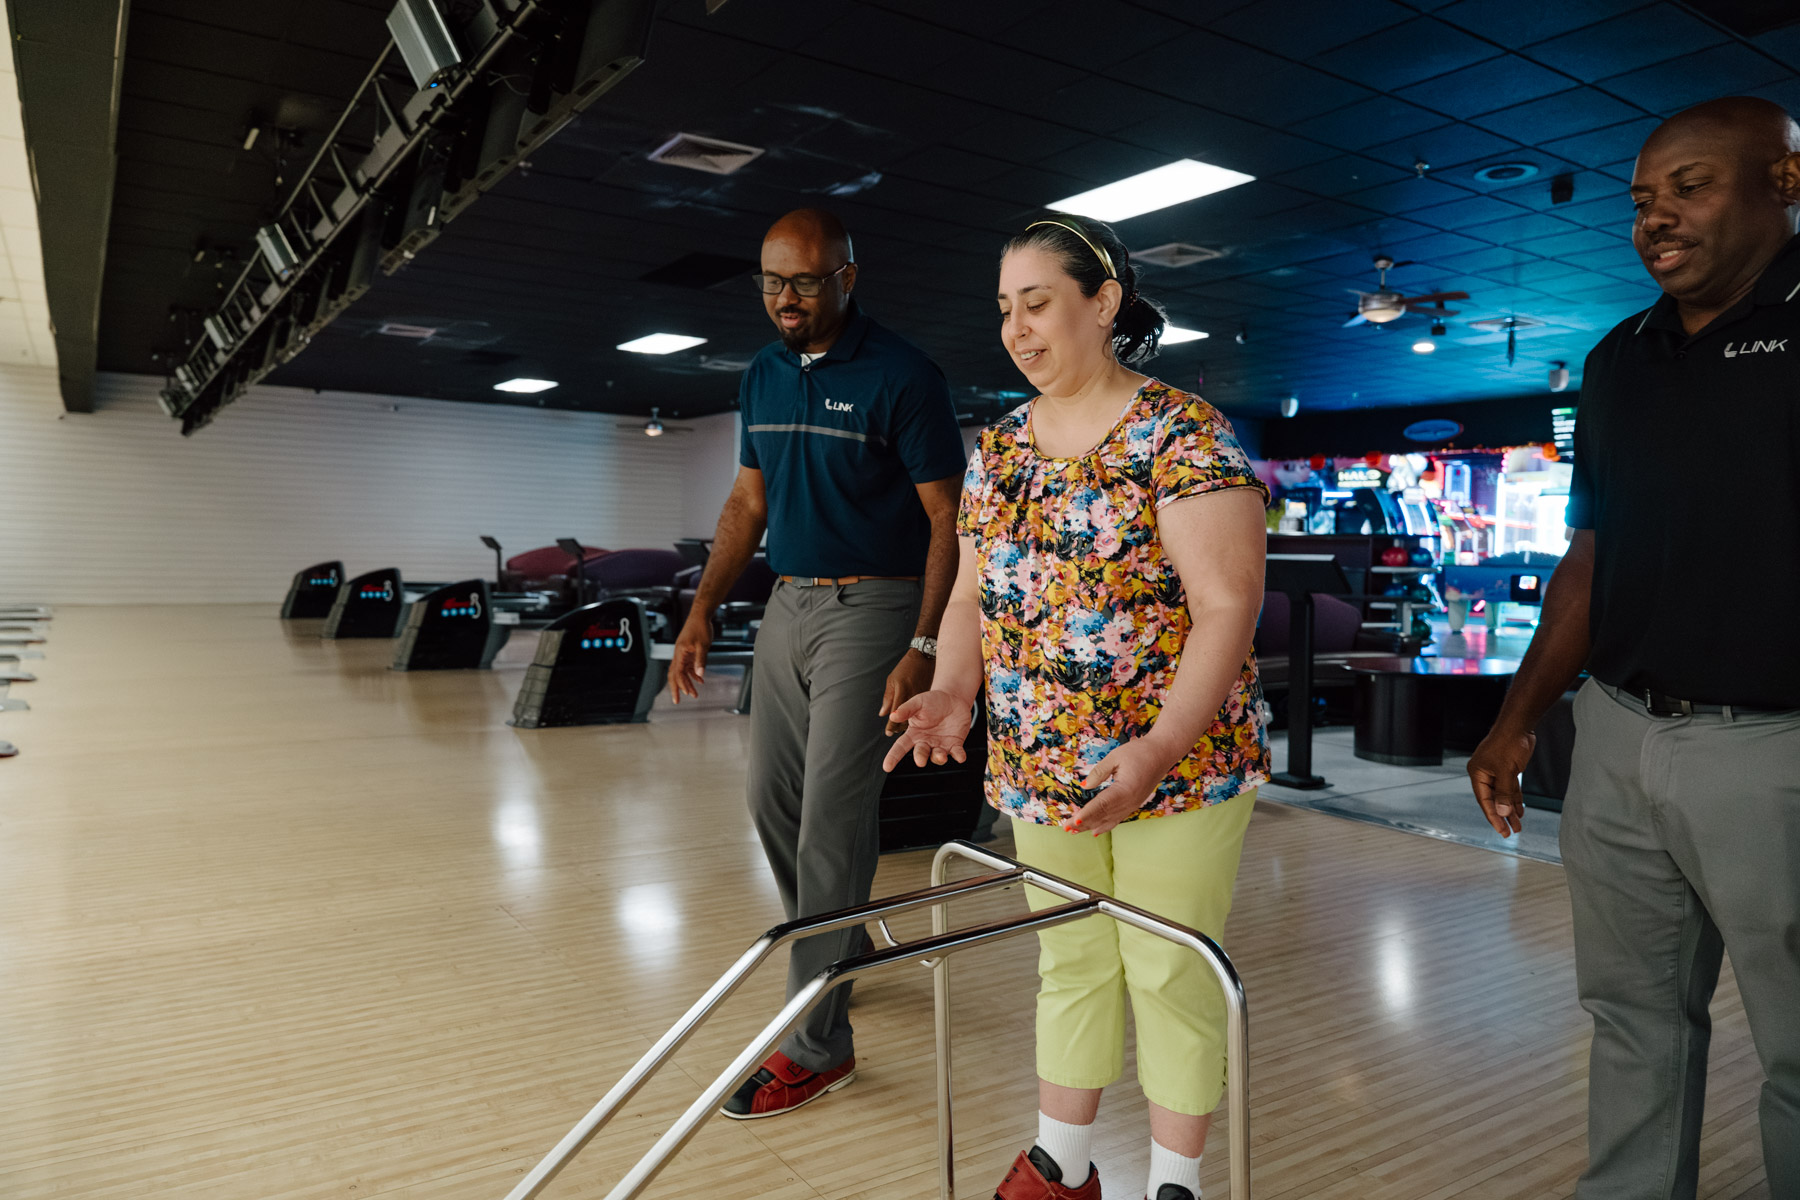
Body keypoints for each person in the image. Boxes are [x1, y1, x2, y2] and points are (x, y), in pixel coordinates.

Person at [886, 215, 1269, 1200]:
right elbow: (969, 598)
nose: (1016, 329)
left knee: (1169, 968)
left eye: (1037, 303)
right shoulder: (1001, 448)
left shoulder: (1181, 433)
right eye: (1004, 309)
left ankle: (1176, 1182)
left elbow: (1228, 606)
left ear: (1103, 304)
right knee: (1070, 958)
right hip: (1041, 763)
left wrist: (1160, 746)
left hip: (1178, 766)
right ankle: (1063, 1163)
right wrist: (954, 690)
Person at [1467, 96, 1800, 1198]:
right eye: (1643, 200)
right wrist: (1518, 719)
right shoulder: (1619, 358)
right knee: (1631, 1017)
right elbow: (1592, 553)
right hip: (1616, 737)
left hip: (1773, 748)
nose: (1656, 218)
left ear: (1784, 182)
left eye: (1689, 188)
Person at [669, 208, 966, 1119]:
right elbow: (746, 504)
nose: (785, 298)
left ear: (847, 276)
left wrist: (924, 644)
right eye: (771, 281)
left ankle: (817, 1043)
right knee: (772, 801)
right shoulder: (761, 373)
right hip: (789, 603)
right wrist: (702, 608)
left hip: (876, 606)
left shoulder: (903, 375)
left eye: (803, 281)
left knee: (832, 818)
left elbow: (948, 521)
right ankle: (840, 945)